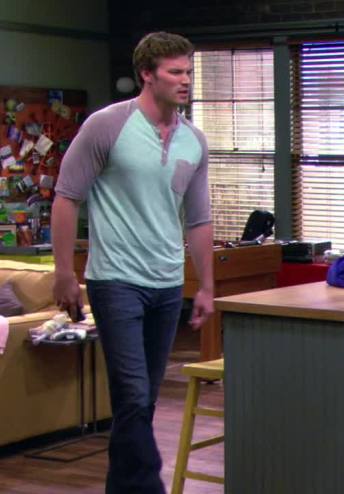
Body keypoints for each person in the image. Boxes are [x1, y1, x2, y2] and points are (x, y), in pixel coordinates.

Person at [52, 32, 213, 493]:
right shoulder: (107, 126)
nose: (186, 80)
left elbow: (198, 219)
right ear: (147, 74)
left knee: (141, 403)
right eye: (175, 72)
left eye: (189, 71)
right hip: (116, 280)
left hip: (167, 283)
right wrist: (64, 274)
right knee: (133, 394)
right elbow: (66, 198)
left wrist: (206, 286)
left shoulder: (193, 141)